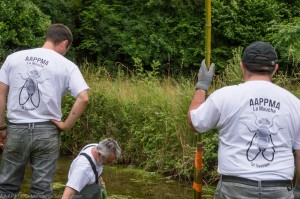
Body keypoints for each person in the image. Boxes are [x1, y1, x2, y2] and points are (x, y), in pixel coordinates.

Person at [187, 41, 300, 199]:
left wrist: (202, 86)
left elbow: (194, 123)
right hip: (279, 188)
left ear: (242, 66)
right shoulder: (295, 104)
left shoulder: (225, 96)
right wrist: (298, 189)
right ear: (275, 68)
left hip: (234, 187)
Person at [0, 23, 89, 199]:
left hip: (16, 129)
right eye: (67, 48)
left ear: (47, 38)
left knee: (6, 189)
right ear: (64, 43)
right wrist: (65, 125)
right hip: (47, 130)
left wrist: (1, 127)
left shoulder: (13, 58)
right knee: (41, 192)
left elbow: (1, 93)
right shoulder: (67, 65)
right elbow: (84, 97)